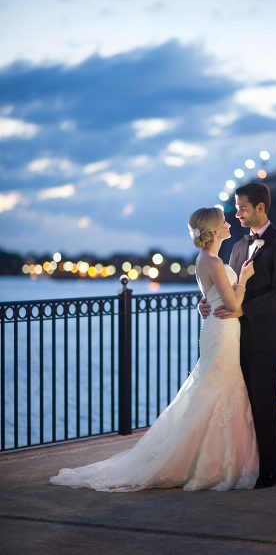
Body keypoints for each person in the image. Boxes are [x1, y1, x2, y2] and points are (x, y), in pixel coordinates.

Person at [50, 207, 259, 491]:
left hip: (218, 327)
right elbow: (233, 305)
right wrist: (244, 279)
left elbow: (211, 297)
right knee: (217, 387)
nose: (229, 224)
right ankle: (210, 462)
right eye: (224, 221)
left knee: (212, 387)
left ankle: (207, 457)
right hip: (222, 329)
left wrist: (206, 303)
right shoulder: (211, 261)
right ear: (213, 230)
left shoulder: (205, 259)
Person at [199, 182, 276, 489]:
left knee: (264, 405)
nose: (237, 214)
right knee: (238, 404)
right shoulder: (238, 245)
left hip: (266, 338)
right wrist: (207, 301)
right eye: (237, 208)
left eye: (242, 208)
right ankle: (241, 465)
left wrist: (243, 310)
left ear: (260, 208)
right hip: (233, 337)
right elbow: (227, 288)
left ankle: (271, 470)